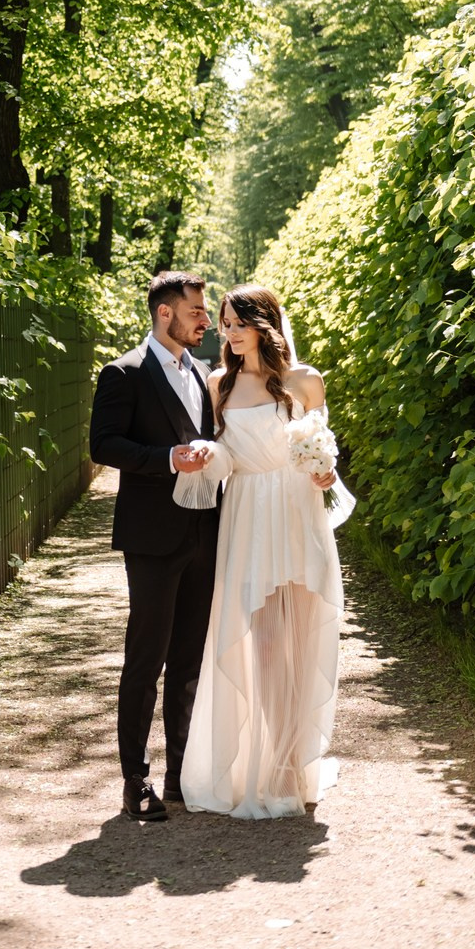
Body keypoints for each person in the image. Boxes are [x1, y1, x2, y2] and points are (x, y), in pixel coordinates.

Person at [180, 283, 342, 819]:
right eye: (224, 323)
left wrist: (325, 473)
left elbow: (322, 450)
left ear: (263, 324)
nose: (227, 332)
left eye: (236, 323)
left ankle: (296, 762)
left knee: (300, 638)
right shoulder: (218, 383)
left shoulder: (304, 381)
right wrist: (210, 456)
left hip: (296, 513)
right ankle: (275, 765)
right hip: (248, 516)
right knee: (267, 646)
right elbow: (227, 458)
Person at [89, 271, 219, 822]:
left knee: (189, 660)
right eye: (196, 312)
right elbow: (104, 444)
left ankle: (180, 774)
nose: (206, 321)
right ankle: (134, 780)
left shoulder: (206, 373)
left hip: (206, 532)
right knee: (146, 660)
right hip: (152, 535)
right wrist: (168, 459)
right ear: (165, 313)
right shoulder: (124, 373)